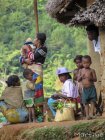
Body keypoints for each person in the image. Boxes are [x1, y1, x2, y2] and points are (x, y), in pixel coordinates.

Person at [77, 55, 97, 120]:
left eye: (87, 63)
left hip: (91, 88)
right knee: (85, 102)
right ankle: (87, 115)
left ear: (90, 62)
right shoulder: (81, 71)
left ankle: (91, 114)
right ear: (82, 63)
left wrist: (91, 78)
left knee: (92, 101)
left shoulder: (92, 70)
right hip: (85, 89)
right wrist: (81, 76)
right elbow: (78, 79)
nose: (86, 64)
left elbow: (95, 79)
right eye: (84, 63)